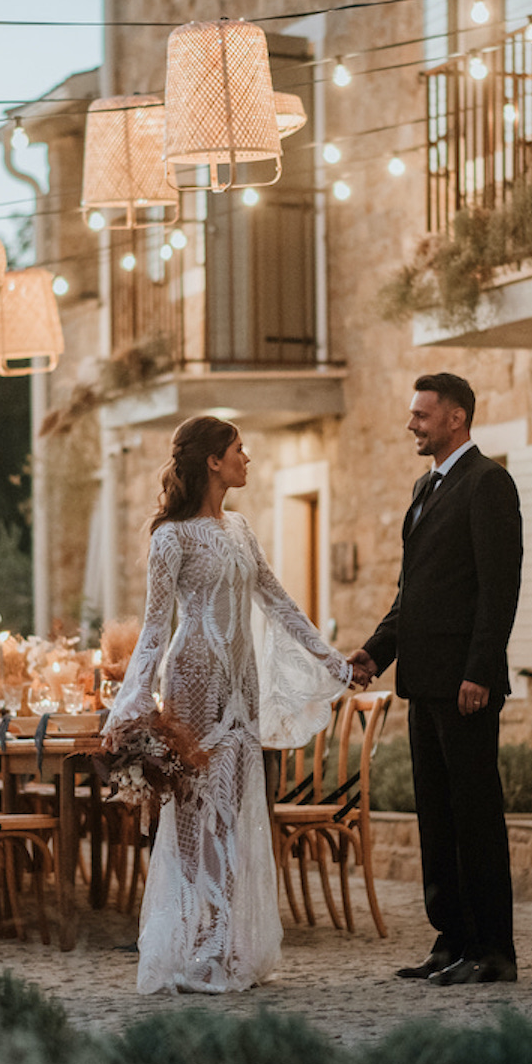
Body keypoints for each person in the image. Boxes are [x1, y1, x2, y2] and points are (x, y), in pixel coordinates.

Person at [103, 415, 369, 994]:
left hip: (241, 686)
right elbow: (154, 630)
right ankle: (204, 942)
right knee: (198, 811)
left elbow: (278, 600)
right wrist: (130, 706)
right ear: (212, 463)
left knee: (237, 808)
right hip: (194, 681)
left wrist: (336, 664)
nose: (247, 459)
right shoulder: (169, 537)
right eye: (239, 451)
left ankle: (226, 943)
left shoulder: (242, 529)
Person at [349, 372, 522, 986]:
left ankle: (493, 952)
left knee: (474, 817)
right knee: (437, 820)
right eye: (413, 414)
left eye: (423, 415)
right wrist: (375, 652)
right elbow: (415, 593)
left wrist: (480, 671)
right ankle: (450, 940)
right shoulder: (426, 487)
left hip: (464, 689)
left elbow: (498, 590)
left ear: (456, 418)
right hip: (423, 683)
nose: (412, 424)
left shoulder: (489, 483)